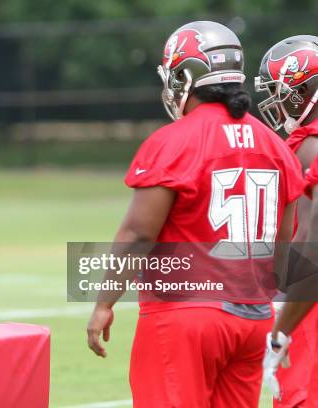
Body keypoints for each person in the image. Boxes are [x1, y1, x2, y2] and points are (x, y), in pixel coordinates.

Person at [86, 21, 305, 407]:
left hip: (185, 317)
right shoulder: (277, 145)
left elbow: (138, 235)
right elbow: (284, 248)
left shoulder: (174, 141)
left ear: (185, 77)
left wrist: (104, 303)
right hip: (252, 320)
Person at [255, 35, 318, 406]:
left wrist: (280, 329)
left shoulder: (309, 143)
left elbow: (311, 240)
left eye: (279, 91)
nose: (275, 102)